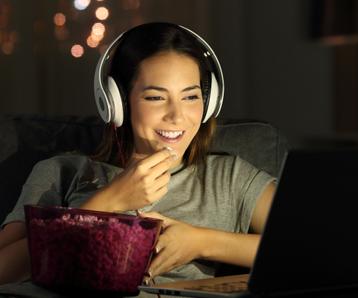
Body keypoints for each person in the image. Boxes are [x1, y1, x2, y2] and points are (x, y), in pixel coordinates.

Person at [0, 22, 276, 291]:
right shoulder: (60, 173)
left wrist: (201, 241)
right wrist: (108, 202)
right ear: (117, 102)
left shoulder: (229, 178)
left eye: (190, 97)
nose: (177, 116)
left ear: (209, 102)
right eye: (156, 98)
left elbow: (308, 249)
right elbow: (3, 270)